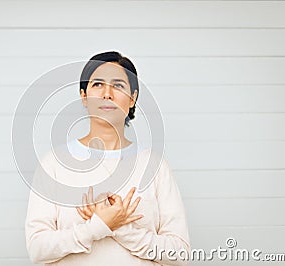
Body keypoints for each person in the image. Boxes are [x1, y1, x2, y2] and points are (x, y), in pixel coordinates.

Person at [25, 51, 190, 265]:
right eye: (98, 84)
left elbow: (180, 254)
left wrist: (119, 227)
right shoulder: (54, 163)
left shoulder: (155, 167)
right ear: (84, 96)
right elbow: (38, 249)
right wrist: (97, 226)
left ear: (133, 98)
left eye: (118, 85)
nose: (107, 94)